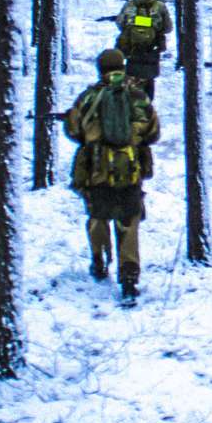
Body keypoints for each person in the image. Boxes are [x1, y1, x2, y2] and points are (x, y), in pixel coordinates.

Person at [63, 48, 161, 306]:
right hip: (130, 168)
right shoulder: (138, 96)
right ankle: (129, 277)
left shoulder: (88, 97)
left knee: (97, 215)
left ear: (100, 69)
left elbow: (74, 131)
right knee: (129, 221)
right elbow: (153, 132)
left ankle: (99, 260)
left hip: (96, 168)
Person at [115, 0, 173, 99]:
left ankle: (133, 106)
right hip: (152, 50)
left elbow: (120, 23)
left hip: (132, 50)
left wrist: (135, 26)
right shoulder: (160, 6)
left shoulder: (129, 5)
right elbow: (168, 28)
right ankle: (147, 107)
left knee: (132, 80)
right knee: (149, 80)